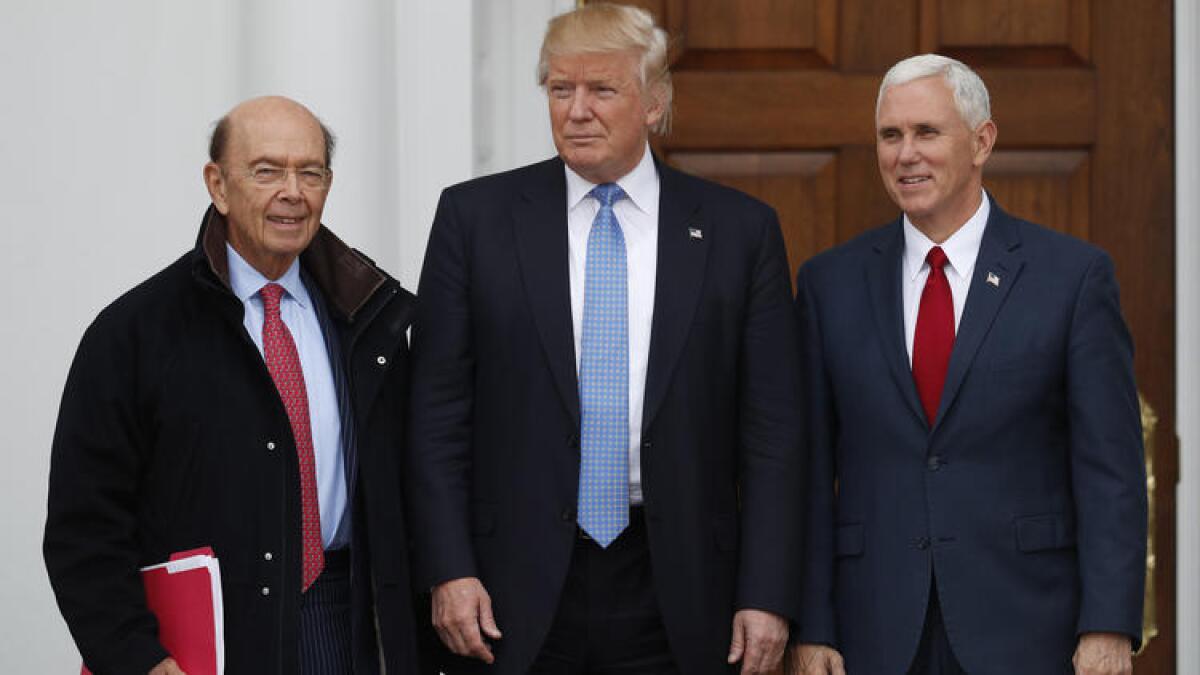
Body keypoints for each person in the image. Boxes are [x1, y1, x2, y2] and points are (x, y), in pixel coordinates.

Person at [406, 4, 803, 674]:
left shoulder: (741, 233)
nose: (577, 109)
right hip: (512, 588)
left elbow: (773, 433)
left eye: (602, 90)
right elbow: (436, 414)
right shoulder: (474, 221)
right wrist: (448, 569)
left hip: (681, 587)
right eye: (561, 89)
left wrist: (767, 593)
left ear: (654, 103)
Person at [789, 54, 1147, 675]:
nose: (906, 154)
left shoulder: (1071, 278)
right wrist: (813, 625)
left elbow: (1110, 470)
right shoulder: (830, 284)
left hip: (1027, 625)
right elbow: (811, 470)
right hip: (872, 626)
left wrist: (1108, 624)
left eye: (927, 132)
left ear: (982, 142)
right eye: (890, 135)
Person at [44, 96, 426, 675]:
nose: (292, 191)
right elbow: (84, 526)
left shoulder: (368, 319)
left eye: (311, 172)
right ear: (218, 186)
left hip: (346, 623)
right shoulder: (135, 333)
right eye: (267, 171)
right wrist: (137, 657)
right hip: (205, 642)